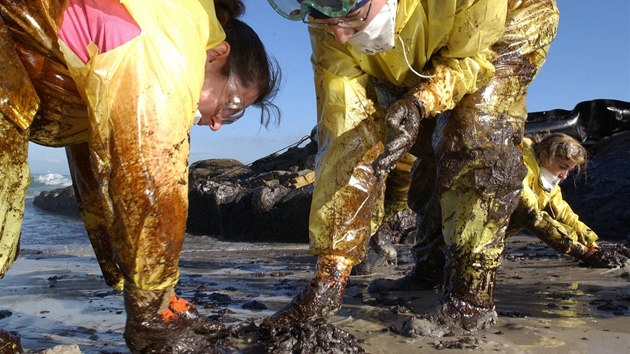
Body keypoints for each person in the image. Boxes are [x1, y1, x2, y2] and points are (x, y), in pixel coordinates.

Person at [264, 0, 559, 335]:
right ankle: (431, 266)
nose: (340, 37)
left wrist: (423, 99)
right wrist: (332, 272)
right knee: (428, 144)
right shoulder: (329, 28)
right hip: (414, 40)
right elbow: (346, 138)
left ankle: (472, 294)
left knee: (472, 130)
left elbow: (471, 60)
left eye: (350, 18)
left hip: (500, 25)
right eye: (324, 21)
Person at [0, 0, 280, 352]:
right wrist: (149, 317)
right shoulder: (169, 38)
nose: (216, 123)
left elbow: (104, 180)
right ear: (216, 54)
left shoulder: (152, 47)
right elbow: (150, 182)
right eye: (230, 106)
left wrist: (151, 294)